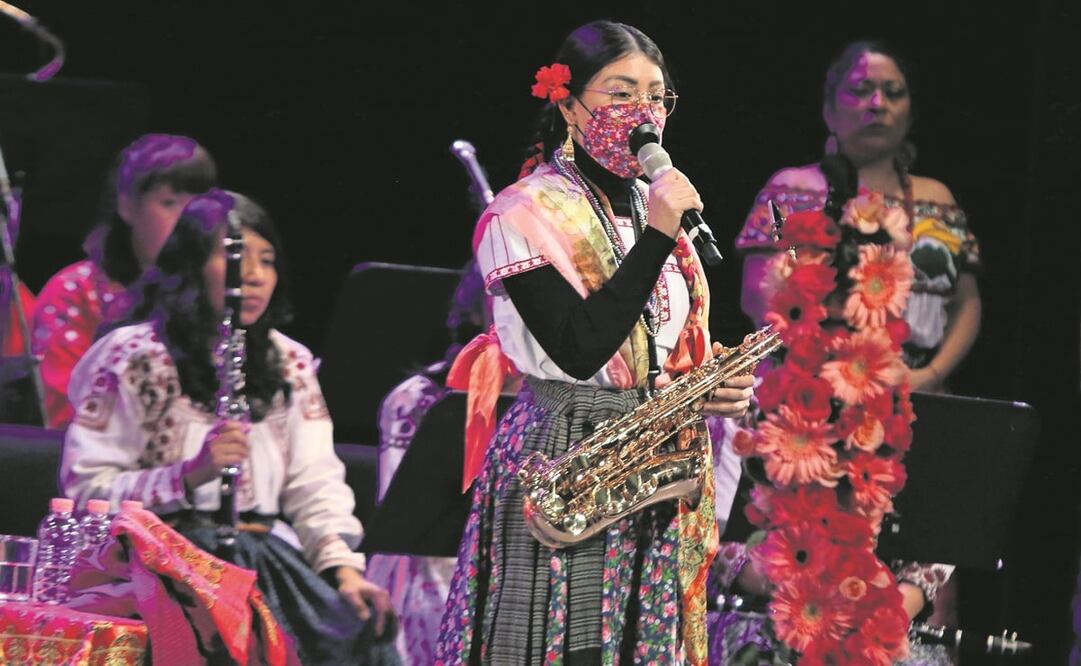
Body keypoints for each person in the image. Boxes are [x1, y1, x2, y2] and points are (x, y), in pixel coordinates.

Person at [435, 20, 754, 665]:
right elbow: (580, 348)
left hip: (652, 464)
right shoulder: (521, 215)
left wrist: (705, 380)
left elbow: (657, 345)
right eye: (619, 93)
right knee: (556, 640)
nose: (643, 113)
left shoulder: (651, 208)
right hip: (565, 458)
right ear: (568, 103)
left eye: (656, 96)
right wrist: (661, 233)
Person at [709, 40, 980, 664]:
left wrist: (929, 372)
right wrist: (835, 360)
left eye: (892, 91)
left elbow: (968, 302)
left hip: (917, 402)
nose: (876, 103)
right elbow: (759, 293)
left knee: (921, 578)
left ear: (911, 110)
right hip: (804, 403)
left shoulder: (938, 197)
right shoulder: (792, 186)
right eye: (859, 90)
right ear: (829, 110)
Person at [59, 190, 399, 665]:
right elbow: (85, 490)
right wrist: (186, 476)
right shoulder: (131, 356)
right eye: (237, 257)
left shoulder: (289, 361)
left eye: (268, 260)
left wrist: (343, 570)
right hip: (158, 563)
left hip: (263, 557)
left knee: (359, 632)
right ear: (192, 264)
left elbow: (314, 483)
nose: (256, 277)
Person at [30, 133, 217, 428]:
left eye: (196, 207)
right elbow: (61, 412)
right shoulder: (77, 291)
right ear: (127, 206)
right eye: (170, 203)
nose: (186, 220)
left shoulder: (214, 293)